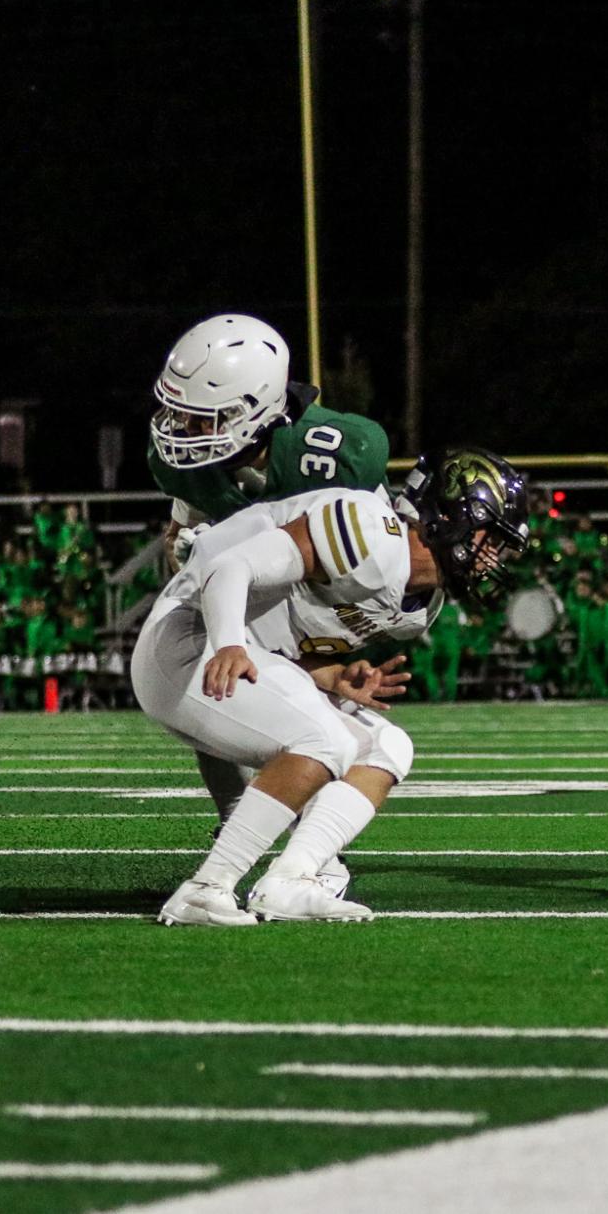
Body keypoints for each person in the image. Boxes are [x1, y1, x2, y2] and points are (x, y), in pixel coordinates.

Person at [138, 448, 528, 925]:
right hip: (188, 633)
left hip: (235, 651)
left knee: (388, 746)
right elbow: (231, 568)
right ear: (452, 516)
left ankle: (292, 880)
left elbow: (282, 637)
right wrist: (228, 644)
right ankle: (206, 888)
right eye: (491, 539)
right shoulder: (371, 531)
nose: (492, 559)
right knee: (326, 740)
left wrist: (333, 676)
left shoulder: (420, 606)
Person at [146, 313, 392, 843]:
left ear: (257, 411)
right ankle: (237, 815)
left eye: (203, 419)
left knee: (318, 718)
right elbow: (186, 522)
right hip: (250, 585)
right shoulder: (183, 464)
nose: (181, 431)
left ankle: (313, 837)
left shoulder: (336, 453)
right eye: (178, 413)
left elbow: (359, 539)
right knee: (218, 674)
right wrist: (187, 541)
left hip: (324, 586)